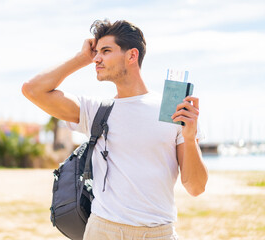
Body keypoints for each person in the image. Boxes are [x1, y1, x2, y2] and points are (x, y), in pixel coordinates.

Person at [22, 19, 208, 240]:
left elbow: (195, 188)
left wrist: (189, 138)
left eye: (106, 51)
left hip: (160, 233)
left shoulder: (173, 111)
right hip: (104, 231)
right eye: (96, 52)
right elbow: (32, 90)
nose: (97, 58)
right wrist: (81, 58)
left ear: (132, 55)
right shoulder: (96, 110)